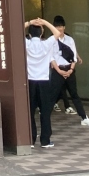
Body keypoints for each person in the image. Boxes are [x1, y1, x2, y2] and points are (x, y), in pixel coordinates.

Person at [24, 16, 65, 148]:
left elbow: (15, 30)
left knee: (30, 111)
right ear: (41, 33)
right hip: (44, 81)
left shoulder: (27, 43)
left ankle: (30, 140)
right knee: (45, 112)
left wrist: (30, 22)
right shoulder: (46, 43)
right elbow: (57, 33)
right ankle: (45, 140)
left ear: (30, 34)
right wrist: (44, 22)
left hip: (30, 81)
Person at [52, 16, 89, 127]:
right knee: (51, 96)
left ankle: (84, 117)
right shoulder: (51, 40)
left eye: (61, 26)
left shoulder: (70, 40)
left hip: (69, 69)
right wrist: (59, 71)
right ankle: (44, 120)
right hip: (57, 70)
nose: (59, 28)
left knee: (74, 94)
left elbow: (74, 56)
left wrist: (71, 70)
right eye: (57, 26)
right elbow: (51, 58)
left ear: (64, 27)